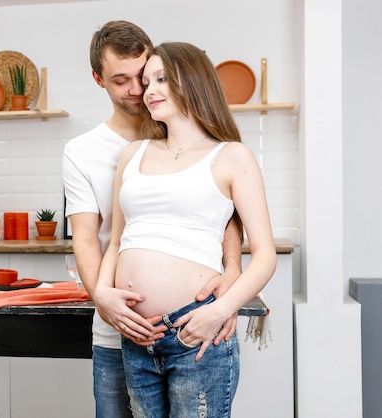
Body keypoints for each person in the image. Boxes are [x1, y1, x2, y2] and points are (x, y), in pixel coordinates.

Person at [62, 21, 243, 418]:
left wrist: (231, 280)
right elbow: (89, 240)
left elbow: (223, 212)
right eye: (120, 80)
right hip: (118, 333)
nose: (137, 91)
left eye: (142, 76)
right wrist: (103, 299)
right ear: (98, 80)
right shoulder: (82, 151)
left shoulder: (188, 136)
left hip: (191, 322)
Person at [94, 41, 277, 418]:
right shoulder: (133, 153)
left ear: (193, 81)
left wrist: (221, 309)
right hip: (136, 335)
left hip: (196, 331)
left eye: (162, 79)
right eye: (147, 82)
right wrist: (102, 294)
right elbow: (117, 242)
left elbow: (264, 255)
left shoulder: (231, 155)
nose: (150, 91)